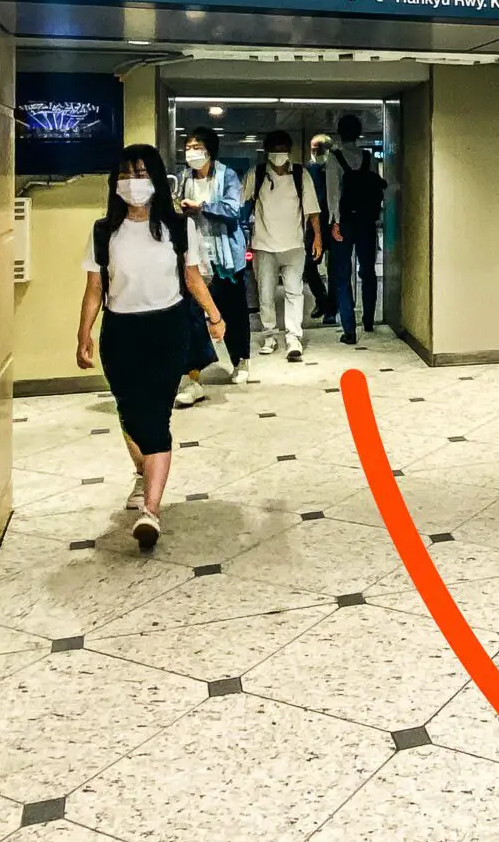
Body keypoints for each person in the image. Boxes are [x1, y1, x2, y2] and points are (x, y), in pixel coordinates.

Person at [77, 145, 229, 549]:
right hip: (120, 332)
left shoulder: (178, 228)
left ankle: (151, 510)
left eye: (142, 174)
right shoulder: (103, 232)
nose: (134, 183)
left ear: (157, 179)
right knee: (129, 410)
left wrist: (215, 316)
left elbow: (192, 278)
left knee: (157, 416)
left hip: (167, 328)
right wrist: (83, 334)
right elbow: (94, 288)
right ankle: (143, 472)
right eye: (126, 175)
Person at [175, 126, 254, 388]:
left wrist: (202, 207)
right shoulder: (183, 178)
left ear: (210, 151)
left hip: (225, 258)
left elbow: (233, 210)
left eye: (197, 148)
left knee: (233, 311)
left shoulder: (227, 176)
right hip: (194, 256)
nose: (191, 153)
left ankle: (241, 360)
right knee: (192, 317)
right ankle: (192, 376)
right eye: (188, 148)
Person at [245, 129, 321, 363]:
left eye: (282, 150)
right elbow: (240, 204)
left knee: (294, 293)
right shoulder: (256, 174)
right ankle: (269, 335)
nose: (279, 154)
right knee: (265, 294)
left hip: (294, 246)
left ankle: (293, 338)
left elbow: (313, 210)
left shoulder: (300, 174)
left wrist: (318, 238)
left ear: (289, 151)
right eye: (274, 150)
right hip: (263, 246)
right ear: (267, 152)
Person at [326, 113, 387, 346]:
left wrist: (334, 222)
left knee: (342, 275)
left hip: (344, 221)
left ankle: (349, 330)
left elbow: (333, 192)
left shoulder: (335, 158)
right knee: (368, 270)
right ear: (359, 133)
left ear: (339, 134)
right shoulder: (368, 157)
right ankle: (369, 320)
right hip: (366, 222)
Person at [304, 133, 336, 323]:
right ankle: (322, 300)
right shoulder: (308, 169)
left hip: (334, 222)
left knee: (335, 269)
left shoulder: (335, 167)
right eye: (313, 149)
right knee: (309, 266)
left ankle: (331, 309)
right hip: (314, 223)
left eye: (319, 149)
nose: (315, 152)